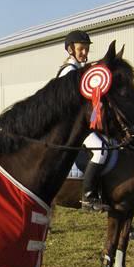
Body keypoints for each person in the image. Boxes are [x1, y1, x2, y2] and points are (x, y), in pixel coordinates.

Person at [57, 31, 109, 212]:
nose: (85, 53)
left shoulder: (79, 71)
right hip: (72, 126)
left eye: (86, 49)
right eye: (81, 49)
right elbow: (68, 104)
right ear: (71, 49)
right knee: (101, 151)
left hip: (81, 123)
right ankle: (88, 196)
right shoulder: (69, 72)